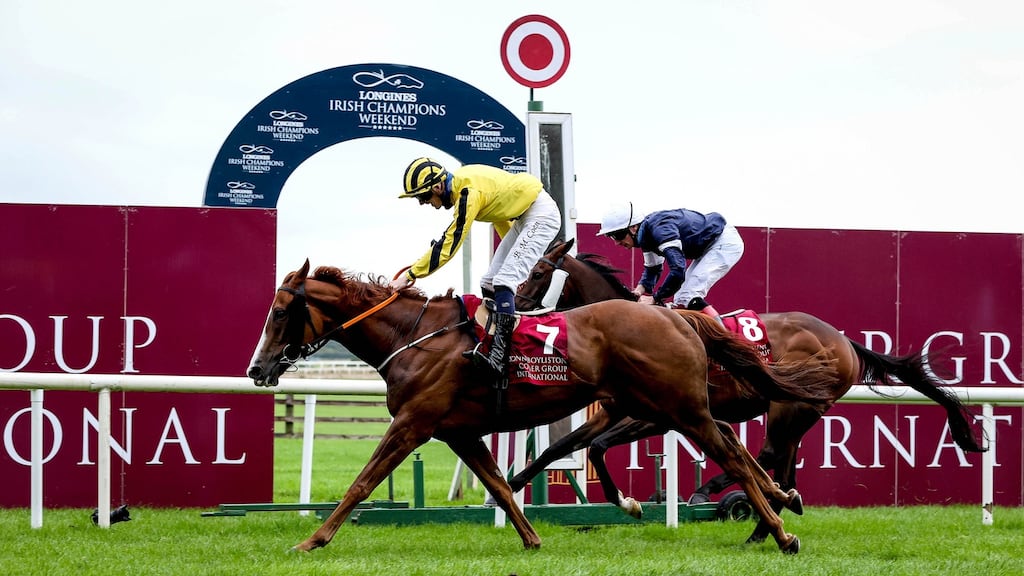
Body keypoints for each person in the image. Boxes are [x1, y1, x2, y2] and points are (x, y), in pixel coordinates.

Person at [389, 157, 562, 376]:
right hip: (524, 216)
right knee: (489, 282)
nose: (424, 203)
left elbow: (450, 242)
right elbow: (502, 212)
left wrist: (411, 274)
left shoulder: (467, 193)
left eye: (423, 197)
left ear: (438, 186)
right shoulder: (463, 187)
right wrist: (518, 257)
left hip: (540, 214)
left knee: (504, 281)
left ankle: (501, 357)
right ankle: (491, 345)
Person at [596, 202, 744, 319]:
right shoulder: (646, 235)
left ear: (633, 228)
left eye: (617, 235)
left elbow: (678, 270)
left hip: (723, 242)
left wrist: (655, 298)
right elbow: (653, 268)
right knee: (680, 298)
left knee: (688, 296)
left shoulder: (659, 230)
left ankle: (725, 340)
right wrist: (639, 291)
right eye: (611, 237)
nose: (616, 242)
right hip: (708, 245)